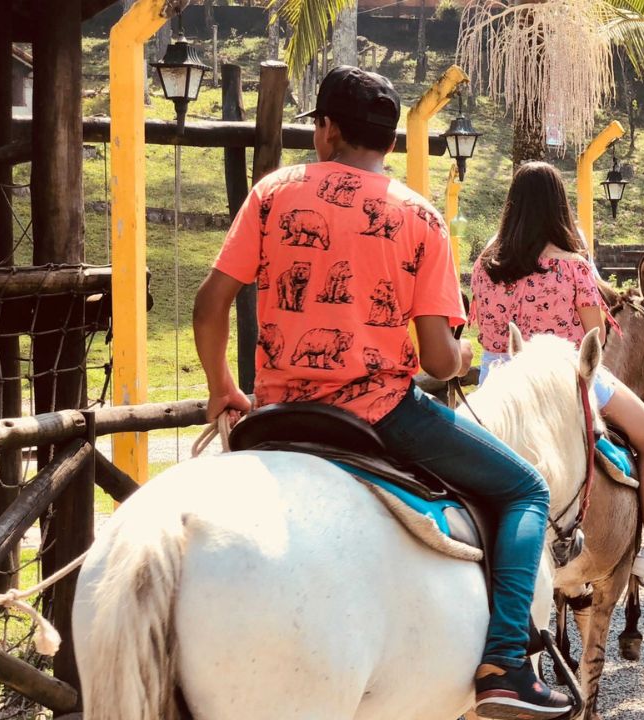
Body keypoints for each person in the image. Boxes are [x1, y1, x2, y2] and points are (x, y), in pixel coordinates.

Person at [193, 67, 571, 719]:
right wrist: (460, 356)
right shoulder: (418, 217)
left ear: (326, 131)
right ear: (390, 145)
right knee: (527, 489)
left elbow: (210, 304)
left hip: (278, 412)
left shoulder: (273, 194)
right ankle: (507, 660)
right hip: (378, 413)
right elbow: (436, 357)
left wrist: (223, 387)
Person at [471, 161, 644, 591]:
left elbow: (485, 330)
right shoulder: (574, 266)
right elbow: (595, 334)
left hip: (500, 380)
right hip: (563, 377)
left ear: (511, 206)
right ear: (559, 207)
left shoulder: (486, 264)